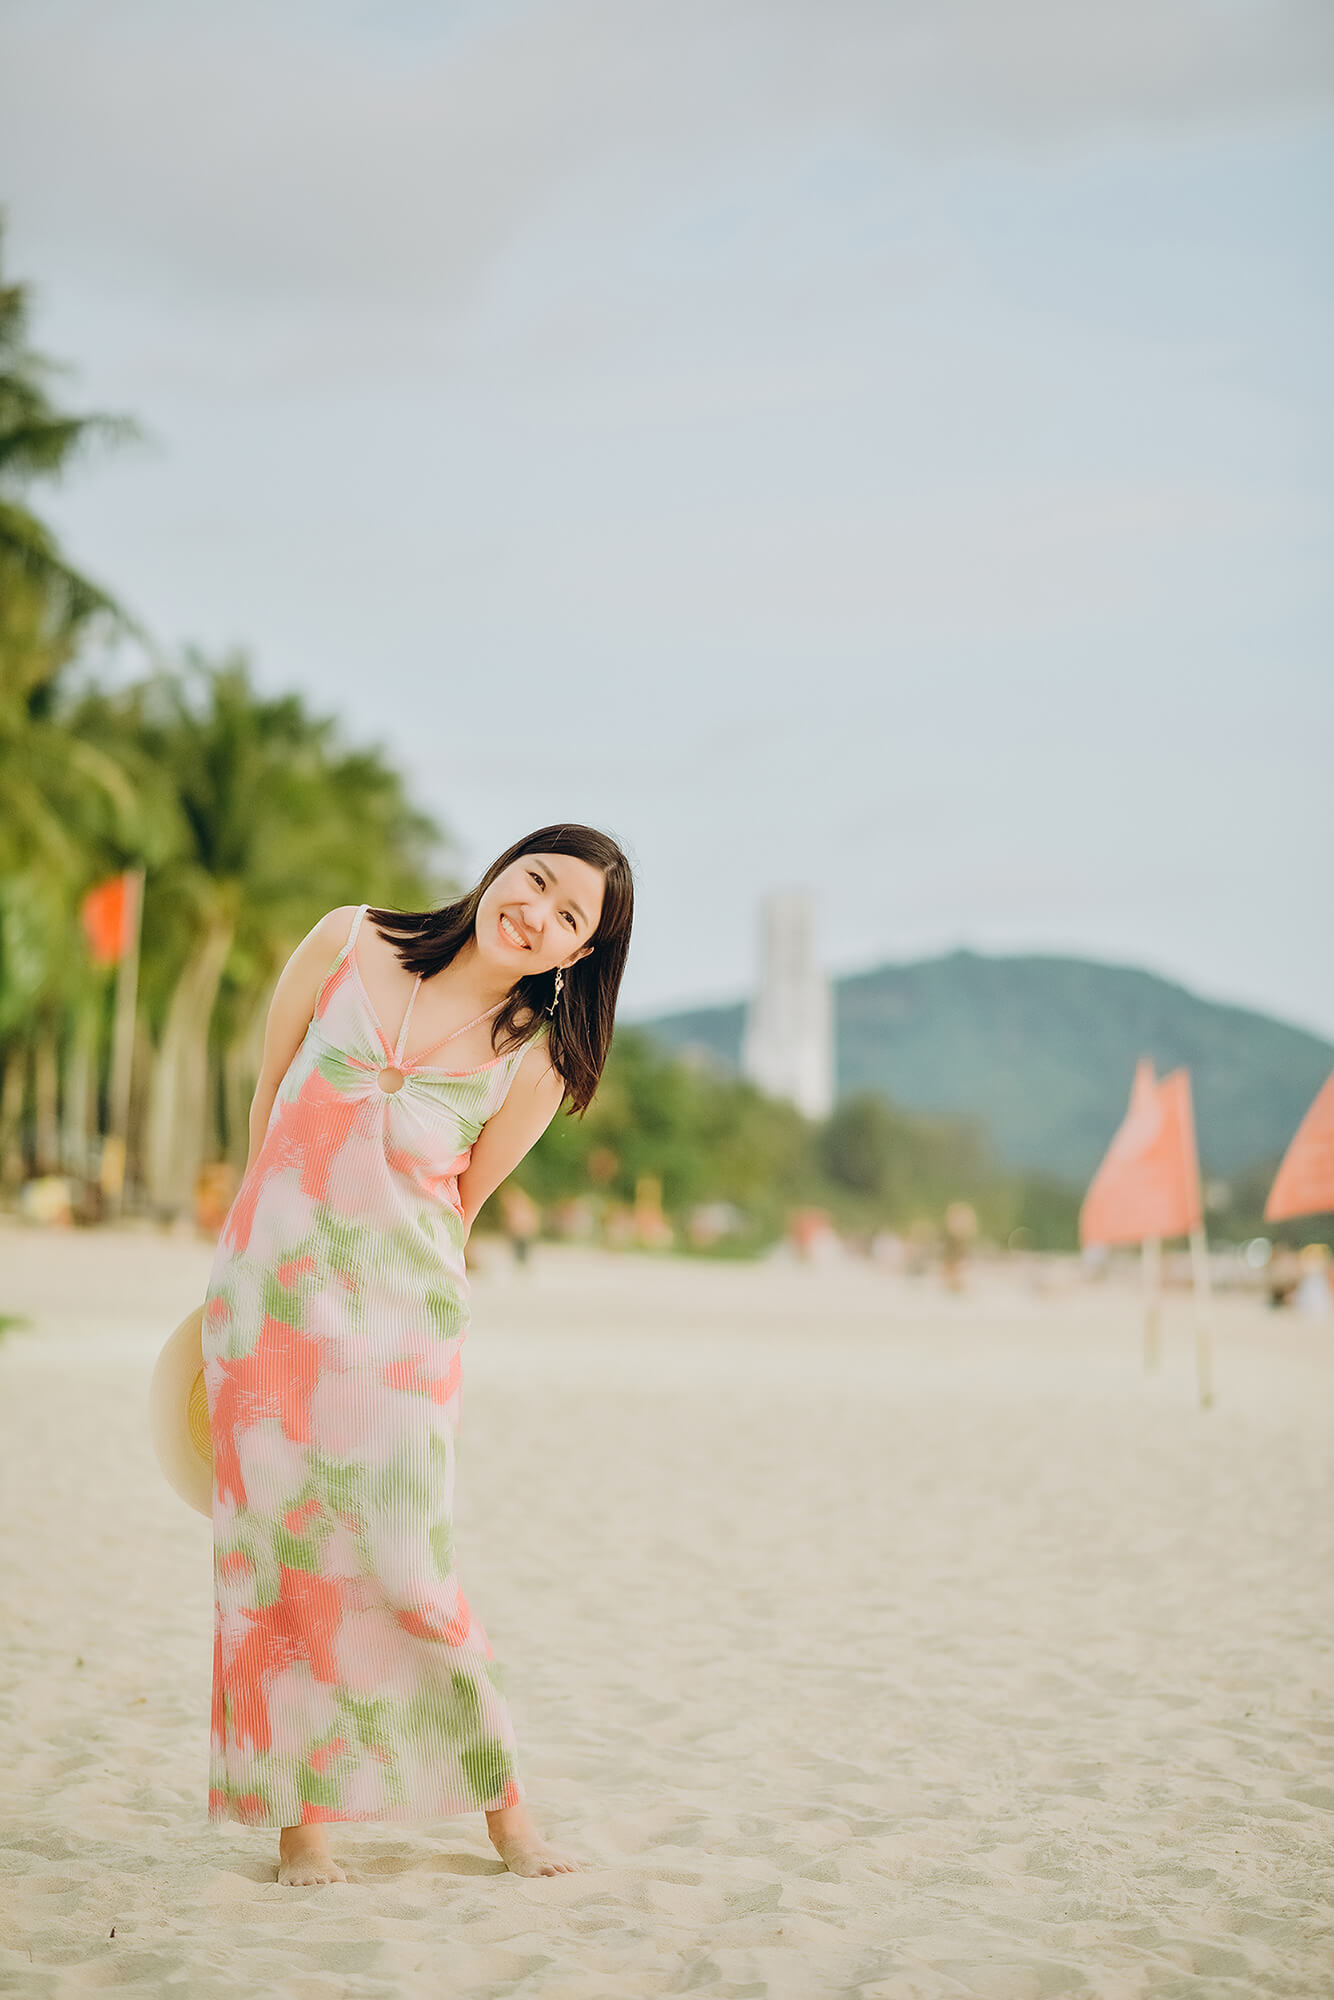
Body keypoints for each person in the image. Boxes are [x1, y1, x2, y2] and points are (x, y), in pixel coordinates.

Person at [201, 824, 634, 1887]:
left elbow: (462, 1206)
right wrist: (243, 1261)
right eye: (536, 880)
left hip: (399, 1331)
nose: (537, 910)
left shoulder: (533, 1059)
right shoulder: (346, 940)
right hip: (268, 1308)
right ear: (501, 869)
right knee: (276, 1563)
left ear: (575, 953)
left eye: (568, 915)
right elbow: (266, 1108)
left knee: (409, 1562)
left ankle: (506, 1812)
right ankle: (304, 1824)